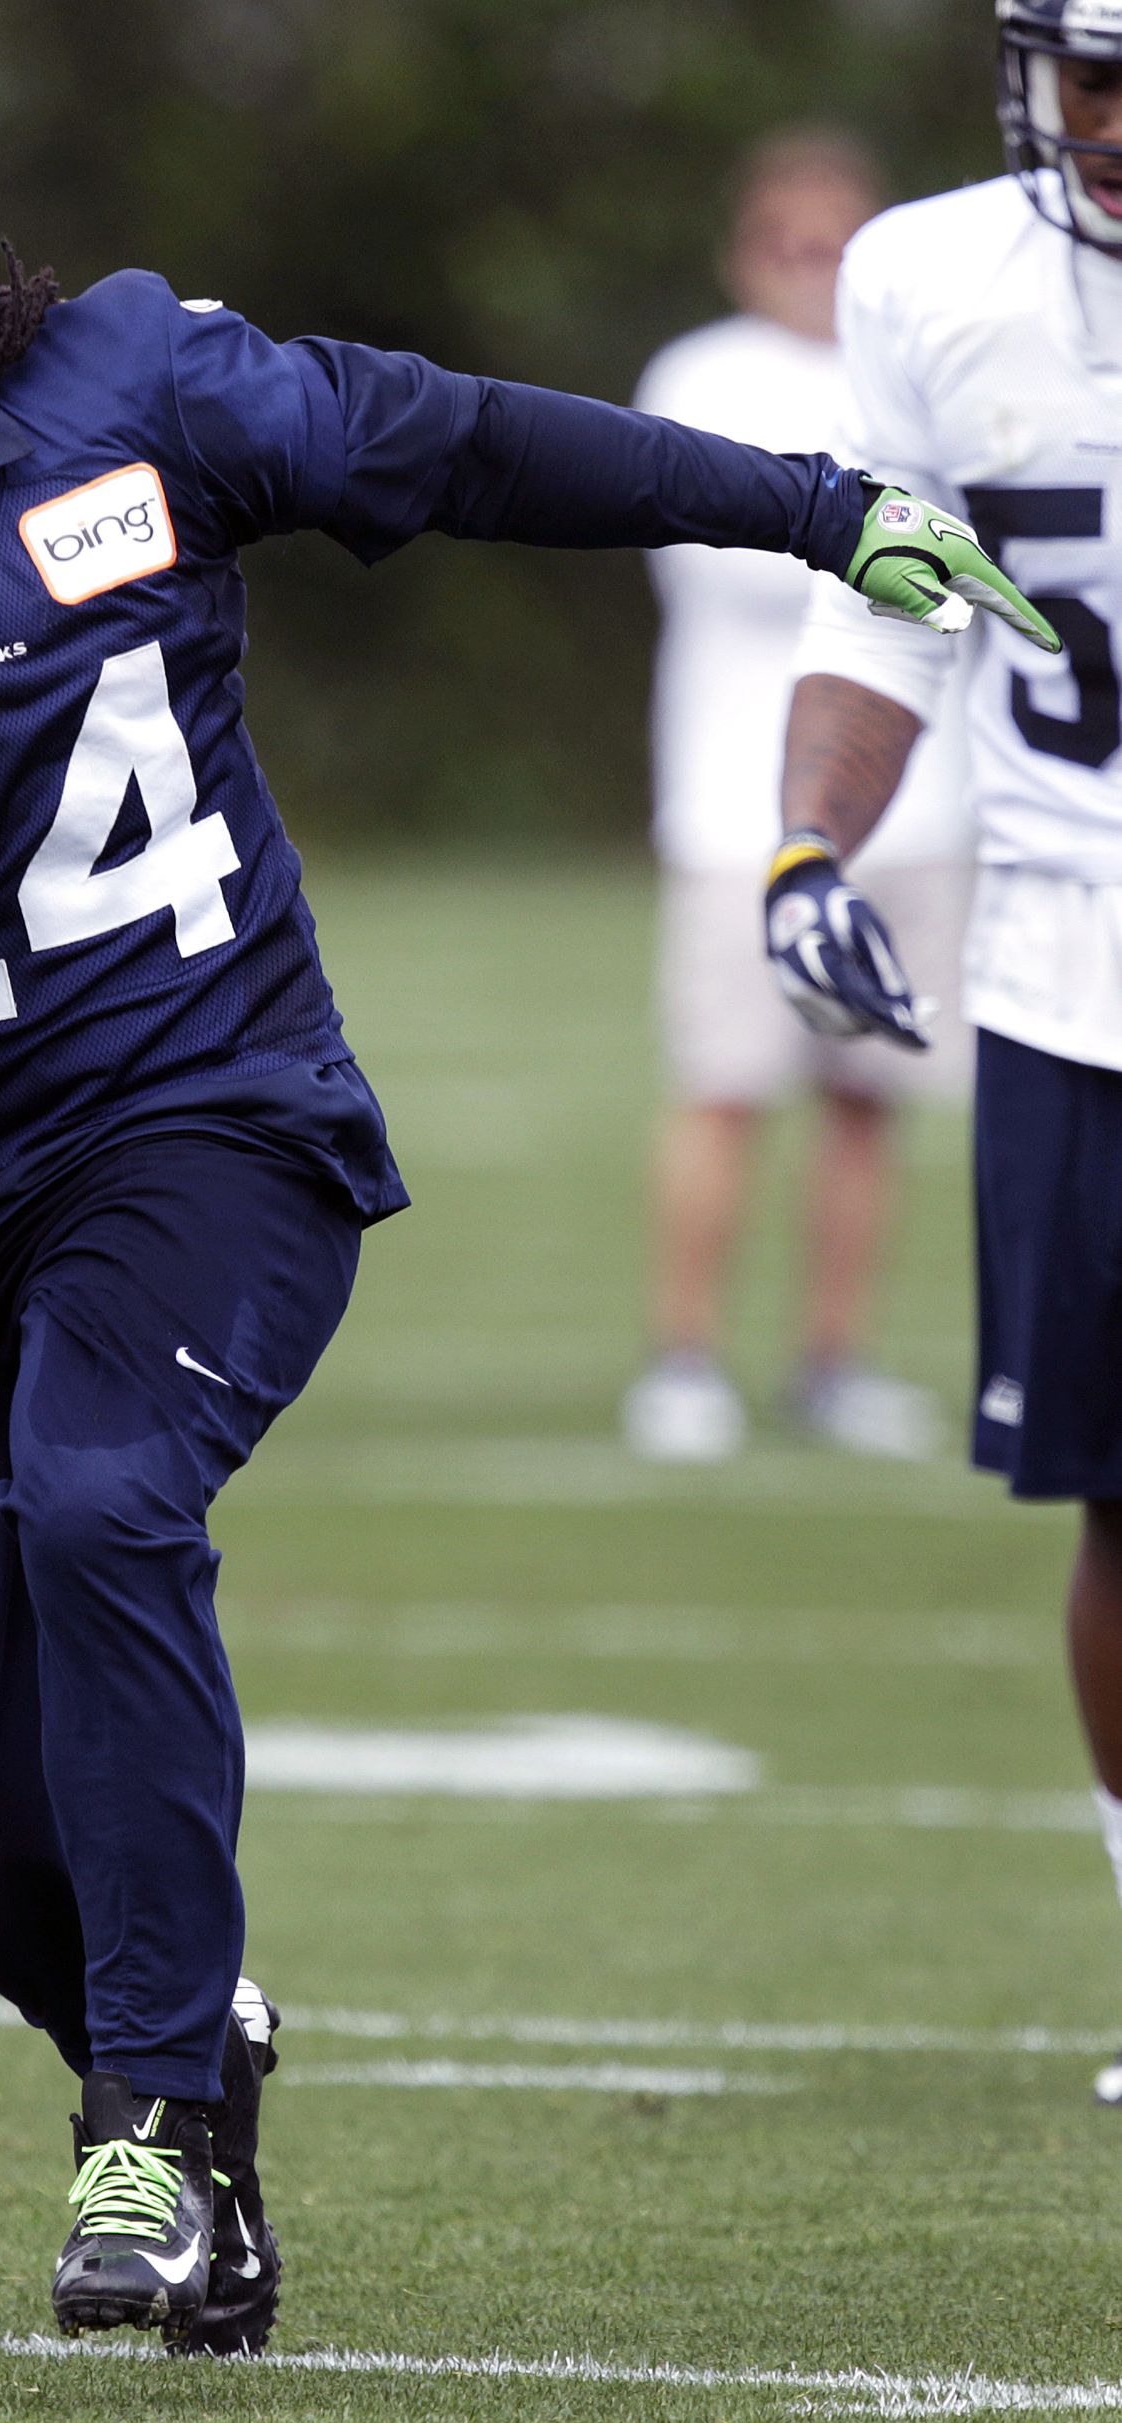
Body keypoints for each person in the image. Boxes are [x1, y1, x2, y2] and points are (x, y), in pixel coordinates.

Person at [0, 71, 1050, 2349]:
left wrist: (817, 508)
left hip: (200, 1118)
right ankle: (187, 2056)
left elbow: (458, 440)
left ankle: (146, 2126)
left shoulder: (124, 391)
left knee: (101, 1490)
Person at [771, 0, 1122, 2102]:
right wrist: (810, 840)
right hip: (1066, 960)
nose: (1108, 123)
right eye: (1090, 74)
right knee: (1112, 1496)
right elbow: (891, 596)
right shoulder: (926, 276)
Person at [625, 131, 976, 1466]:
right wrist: (883, 536)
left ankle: (834, 1362)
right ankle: (685, 1358)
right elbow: (733, 560)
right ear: (742, 246)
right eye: (789, 237)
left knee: (870, 1098)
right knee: (725, 1086)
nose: (812, 266)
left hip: (920, 804)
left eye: (838, 242)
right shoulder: (701, 372)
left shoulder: (928, 377)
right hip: (737, 808)